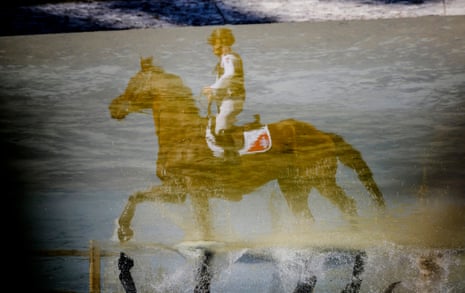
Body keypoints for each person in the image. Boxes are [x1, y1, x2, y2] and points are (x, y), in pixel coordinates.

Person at [202, 28, 246, 162]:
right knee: (216, 123)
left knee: (220, 125)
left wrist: (213, 87)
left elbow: (229, 75)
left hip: (233, 99)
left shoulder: (228, 57)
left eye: (215, 44)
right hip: (228, 99)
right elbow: (223, 81)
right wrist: (213, 93)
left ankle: (231, 159)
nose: (213, 48)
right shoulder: (223, 60)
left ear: (222, 44)